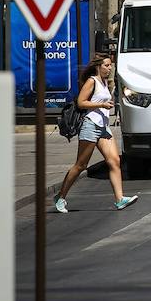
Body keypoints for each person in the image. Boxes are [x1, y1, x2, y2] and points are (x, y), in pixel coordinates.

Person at [54, 55, 138, 213]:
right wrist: (102, 104)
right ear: (98, 66)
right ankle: (61, 196)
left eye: (110, 65)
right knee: (81, 165)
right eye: (106, 65)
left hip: (103, 127)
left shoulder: (105, 82)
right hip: (90, 126)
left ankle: (120, 199)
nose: (109, 68)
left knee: (114, 161)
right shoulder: (92, 81)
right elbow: (81, 102)